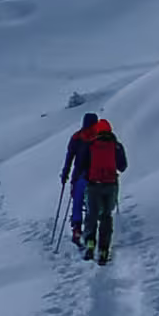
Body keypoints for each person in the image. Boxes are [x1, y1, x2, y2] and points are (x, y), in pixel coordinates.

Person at [60, 109, 126, 265]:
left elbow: (73, 159)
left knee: (85, 209)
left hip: (88, 181)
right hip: (109, 184)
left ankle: (83, 235)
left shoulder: (81, 140)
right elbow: (122, 166)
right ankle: (103, 250)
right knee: (105, 216)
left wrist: (66, 174)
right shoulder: (114, 145)